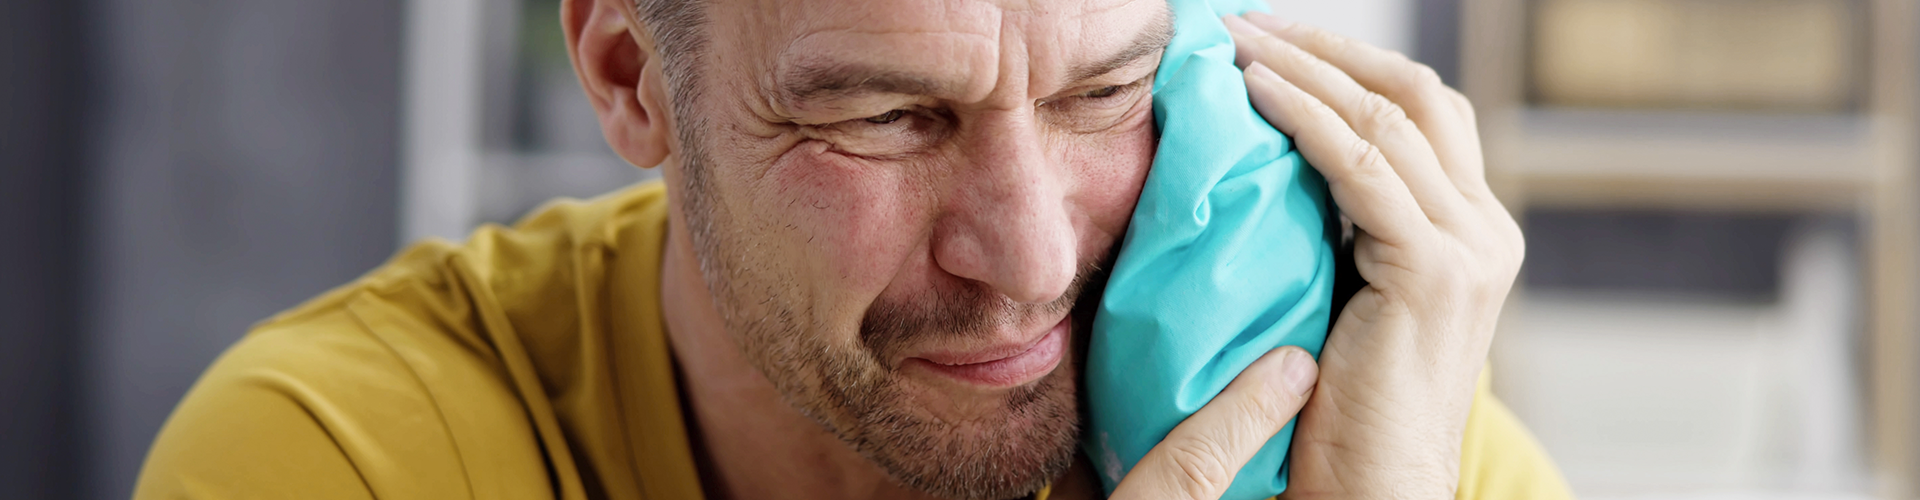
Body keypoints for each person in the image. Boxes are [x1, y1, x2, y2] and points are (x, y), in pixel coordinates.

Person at [134, 0, 1568, 498]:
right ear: (631, 75)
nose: (1030, 262)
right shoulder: (356, 458)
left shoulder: (1369, 437)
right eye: (889, 117)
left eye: (1105, 92)